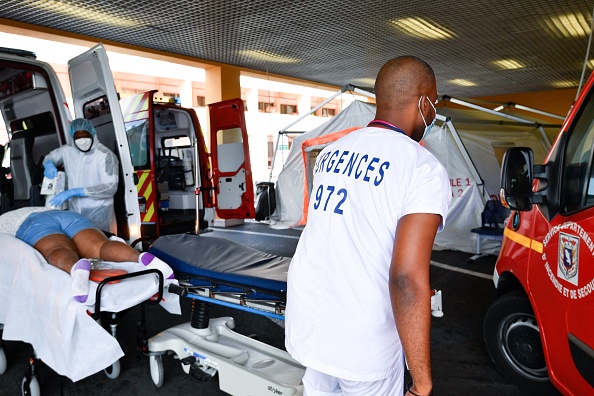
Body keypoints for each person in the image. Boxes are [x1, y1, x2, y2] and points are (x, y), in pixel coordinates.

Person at [285, 56, 452, 396]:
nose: (433, 112)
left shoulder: (332, 152)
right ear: (423, 102)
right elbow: (407, 278)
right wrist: (421, 383)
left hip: (311, 327)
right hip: (364, 345)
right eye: (433, 103)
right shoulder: (421, 167)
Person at [0, 206, 173, 303]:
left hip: (33, 223)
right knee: (100, 247)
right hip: (67, 214)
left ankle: (76, 268)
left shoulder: (3, 222)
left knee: (58, 250)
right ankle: (141, 257)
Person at [43, 118, 119, 233]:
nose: (82, 140)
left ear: (93, 133)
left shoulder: (105, 155)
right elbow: (50, 157)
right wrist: (48, 164)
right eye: (78, 137)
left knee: (99, 246)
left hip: (98, 212)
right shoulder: (67, 151)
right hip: (74, 212)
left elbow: (110, 187)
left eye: (85, 135)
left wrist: (77, 191)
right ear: (72, 137)